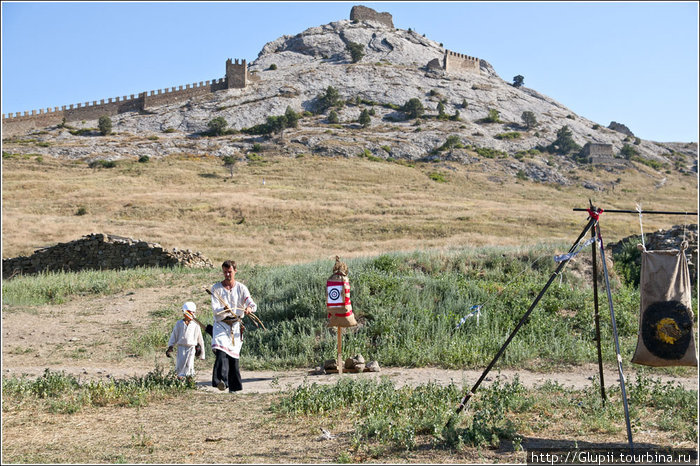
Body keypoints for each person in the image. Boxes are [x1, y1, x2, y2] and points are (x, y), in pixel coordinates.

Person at [210, 260, 258, 392]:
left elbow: (252, 304)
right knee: (221, 351)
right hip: (221, 324)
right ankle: (221, 381)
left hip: (236, 325)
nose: (227, 275)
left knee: (233, 356)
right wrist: (227, 310)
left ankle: (234, 388)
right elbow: (215, 310)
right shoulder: (216, 288)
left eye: (229, 272)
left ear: (235, 271)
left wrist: (248, 309)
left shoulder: (241, 288)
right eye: (225, 272)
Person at [166, 301, 205, 378]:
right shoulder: (179, 323)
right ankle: (179, 380)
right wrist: (170, 346)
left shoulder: (195, 324)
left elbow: (200, 339)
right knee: (180, 365)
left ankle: (189, 380)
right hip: (181, 347)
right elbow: (174, 335)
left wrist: (202, 354)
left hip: (191, 348)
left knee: (190, 365)